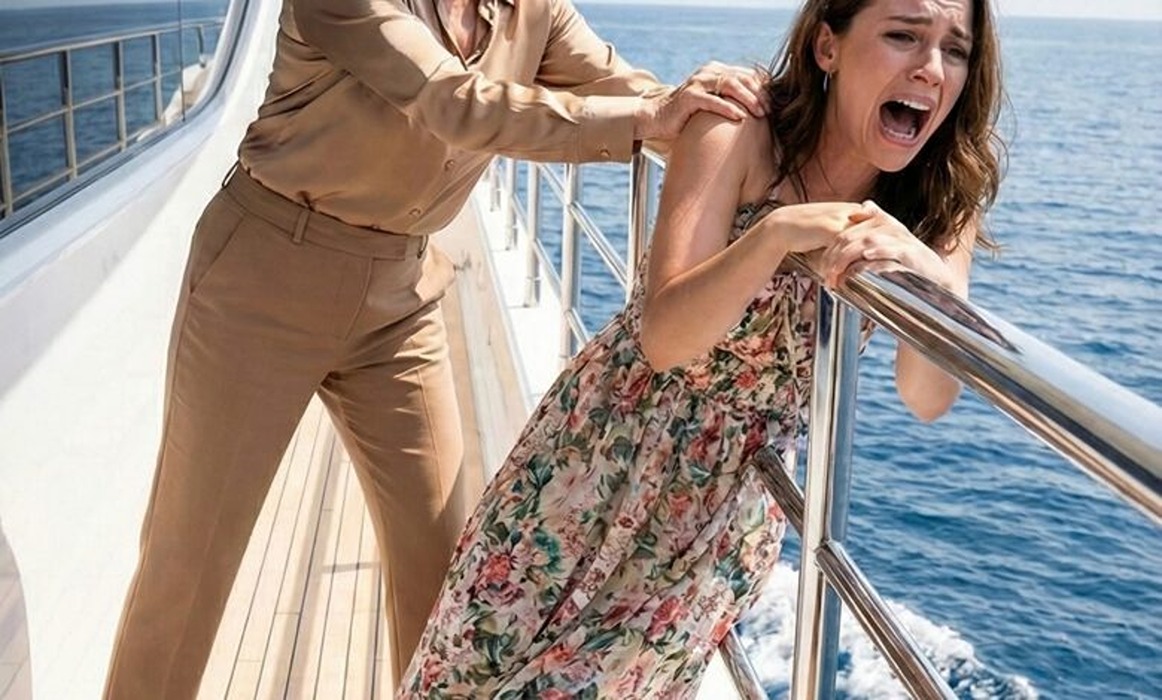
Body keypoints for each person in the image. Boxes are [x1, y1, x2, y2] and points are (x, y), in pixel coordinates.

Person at [101, 0, 773, 697]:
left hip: (400, 294)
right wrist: (646, 118)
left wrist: (736, 134)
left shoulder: (532, 11)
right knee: (190, 562)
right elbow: (451, 101)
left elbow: (636, 93)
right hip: (266, 276)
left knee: (448, 572)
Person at [400, 0, 1005, 694]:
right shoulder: (737, 126)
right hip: (594, 460)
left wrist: (930, 279)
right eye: (903, 36)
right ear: (827, 47)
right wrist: (774, 236)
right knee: (468, 671)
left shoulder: (943, 195)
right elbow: (665, 338)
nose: (930, 69)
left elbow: (926, 398)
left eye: (955, 50)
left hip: (714, 523)